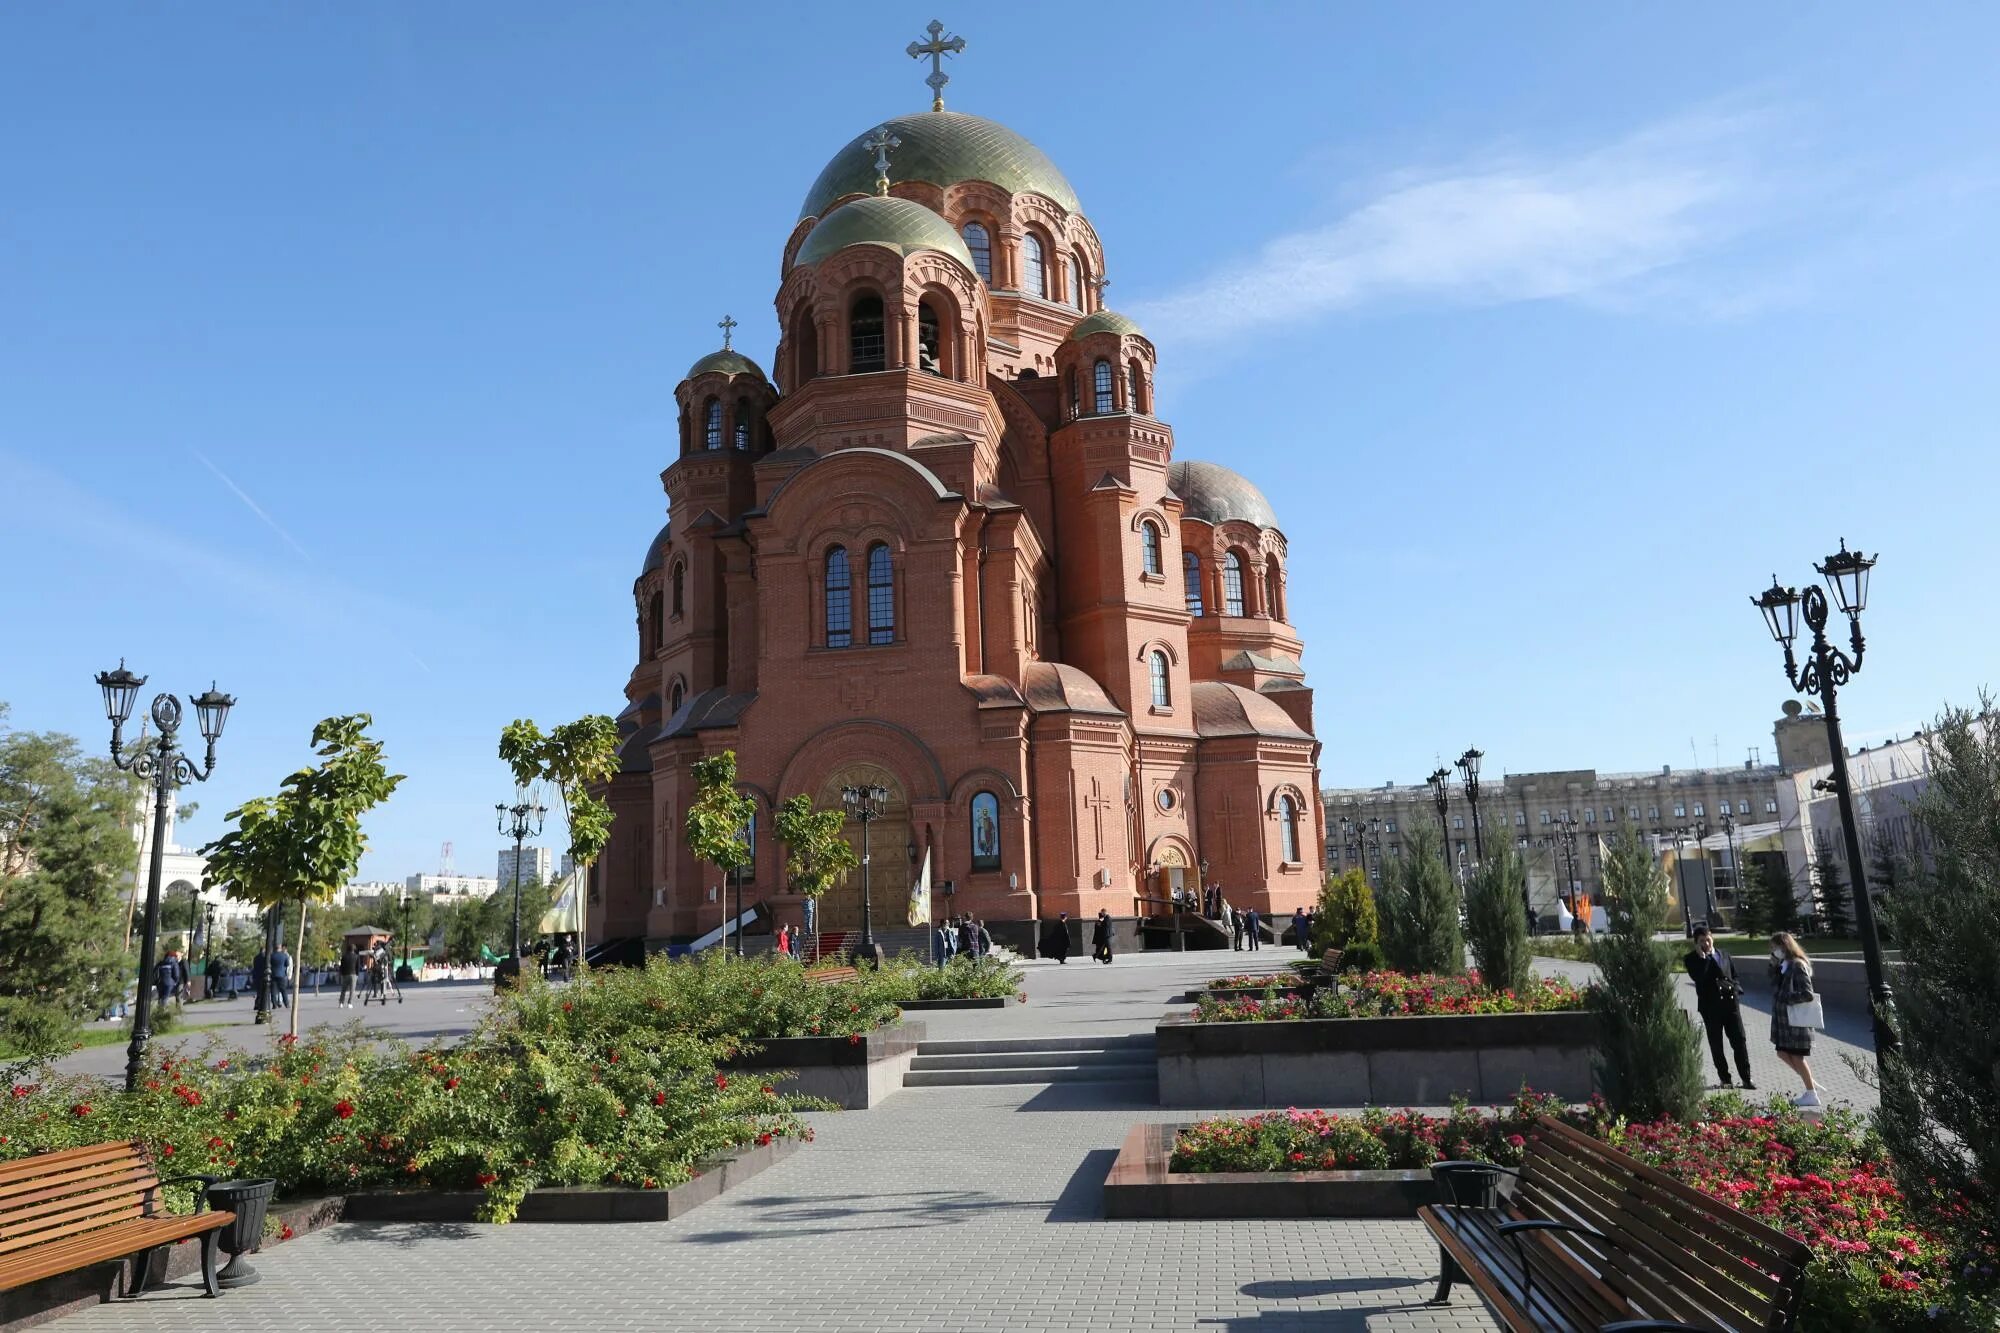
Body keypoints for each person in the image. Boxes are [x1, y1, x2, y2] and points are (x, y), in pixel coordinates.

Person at [1683, 924, 1754, 1089]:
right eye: (1702, 941)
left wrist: (1736, 989)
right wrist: (1703, 958)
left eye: (1708, 939)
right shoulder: (1691, 959)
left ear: (1712, 938)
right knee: (1717, 1044)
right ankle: (1725, 1079)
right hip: (1711, 1008)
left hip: (1731, 1006)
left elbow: (1734, 975)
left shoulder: (1724, 955)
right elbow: (1699, 978)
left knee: (1739, 1041)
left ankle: (1746, 1078)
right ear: (1696, 943)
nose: (1706, 944)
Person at [1768, 932, 1821, 1107]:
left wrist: (1786, 998)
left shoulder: (1798, 965)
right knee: (1782, 1052)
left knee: (1798, 1057)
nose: (1773, 951)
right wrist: (1774, 966)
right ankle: (1810, 1082)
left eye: (1775, 947)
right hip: (1785, 1023)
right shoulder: (1784, 965)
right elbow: (1774, 984)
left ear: (1785, 946)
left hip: (1796, 1022)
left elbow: (1807, 994)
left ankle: (1811, 1092)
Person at [338, 943, 358, 1008]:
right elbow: (357, 967)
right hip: (353, 974)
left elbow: (341, 966)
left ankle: (341, 1003)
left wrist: (342, 974)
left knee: (343, 990)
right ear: (354, 949)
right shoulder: (356, 956)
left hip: (345, 974)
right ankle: (350, 1003)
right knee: (352, 990)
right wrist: (357, 974)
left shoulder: (344, 956)